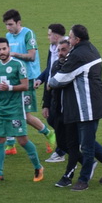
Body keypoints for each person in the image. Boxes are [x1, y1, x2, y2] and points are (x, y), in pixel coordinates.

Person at [48, 24, 102, 191]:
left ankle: (84, 180)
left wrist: (50, 83)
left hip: (87, 107)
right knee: (85, 140)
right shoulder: (91, 49)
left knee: (86, 146)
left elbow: (61, 79)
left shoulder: (78, 55)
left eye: (70, 37)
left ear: (77, 39)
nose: (68, 39)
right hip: (89, 104)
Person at [0, 37, 44, 183]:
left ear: (9, 48)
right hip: (0, 109)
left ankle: (38, 167)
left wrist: (9, 87)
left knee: (22, 140)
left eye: (4, 49)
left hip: (16, 109)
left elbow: (26, 86)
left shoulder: (18, 65)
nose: (2, 52)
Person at [3, 9, 54, 154]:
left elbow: (32, 56)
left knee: (25, 115)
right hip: (13, 78)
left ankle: (48, 133)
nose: (8, 28)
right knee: (8, 109)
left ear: (18, 22)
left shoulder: (28, 34)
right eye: (6, 25)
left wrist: (14, 54)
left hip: (28, 79)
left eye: (10, 24)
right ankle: (11, 144)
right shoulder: (8, 36)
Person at [45, 38, 83, 187]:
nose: (60, 53)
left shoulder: (73, 66)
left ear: (70, 51)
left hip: (71, 111)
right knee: (61, 143)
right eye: (59, 50)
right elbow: (49, 85)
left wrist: (54, 84)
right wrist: (46, 105)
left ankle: (68, 176)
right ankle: (87, 162)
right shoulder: (56, 65)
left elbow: (57, 84)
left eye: (64, 50)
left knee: (73, 145)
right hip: (58, 111)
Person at [41, 23, 68, 163]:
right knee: (52, 119)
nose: (48, 37)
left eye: (49, 34)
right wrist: (40, 79)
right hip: (51, 88)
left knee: (59, 121)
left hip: (61, 90)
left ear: (56, 36)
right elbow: (49, 68)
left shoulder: (66, 49)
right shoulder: (52, 49)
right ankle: (68, 145)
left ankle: (61, 152)